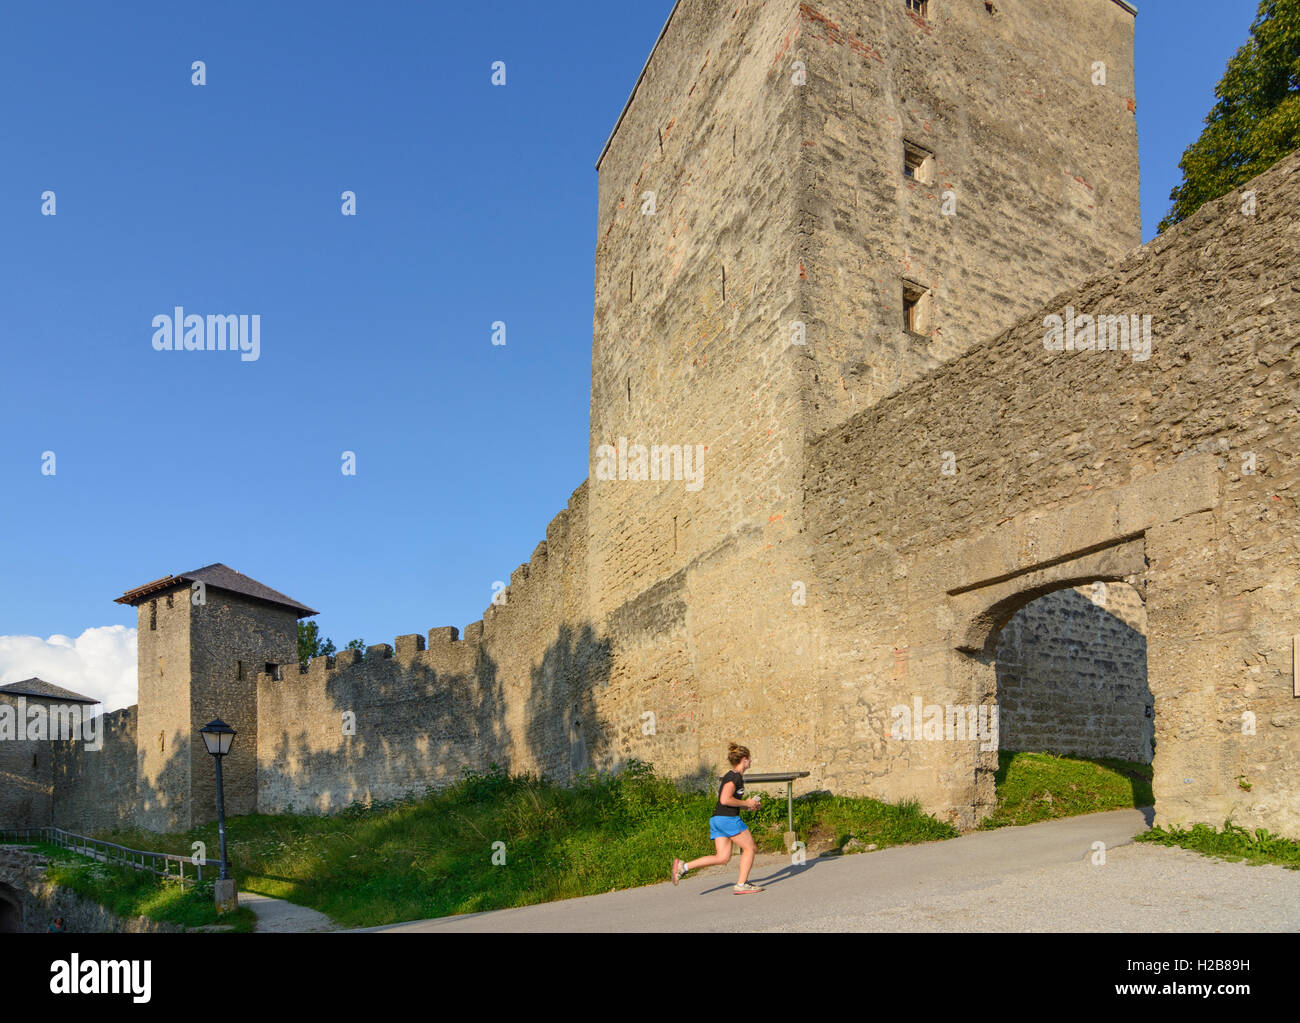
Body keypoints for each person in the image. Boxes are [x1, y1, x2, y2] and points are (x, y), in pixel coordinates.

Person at [672, 743, 763, 894]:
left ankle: (684, 867)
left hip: (718, 820)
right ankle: (741, 884)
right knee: (750, 848)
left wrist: (749, 806)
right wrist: (746, 802)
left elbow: (730, 801)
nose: (751, 761)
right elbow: (725, 799)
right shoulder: (734, 777)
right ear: (745, 759)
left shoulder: (733, 776)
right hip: (728, 820)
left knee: (722, 857)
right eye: (750, 759)